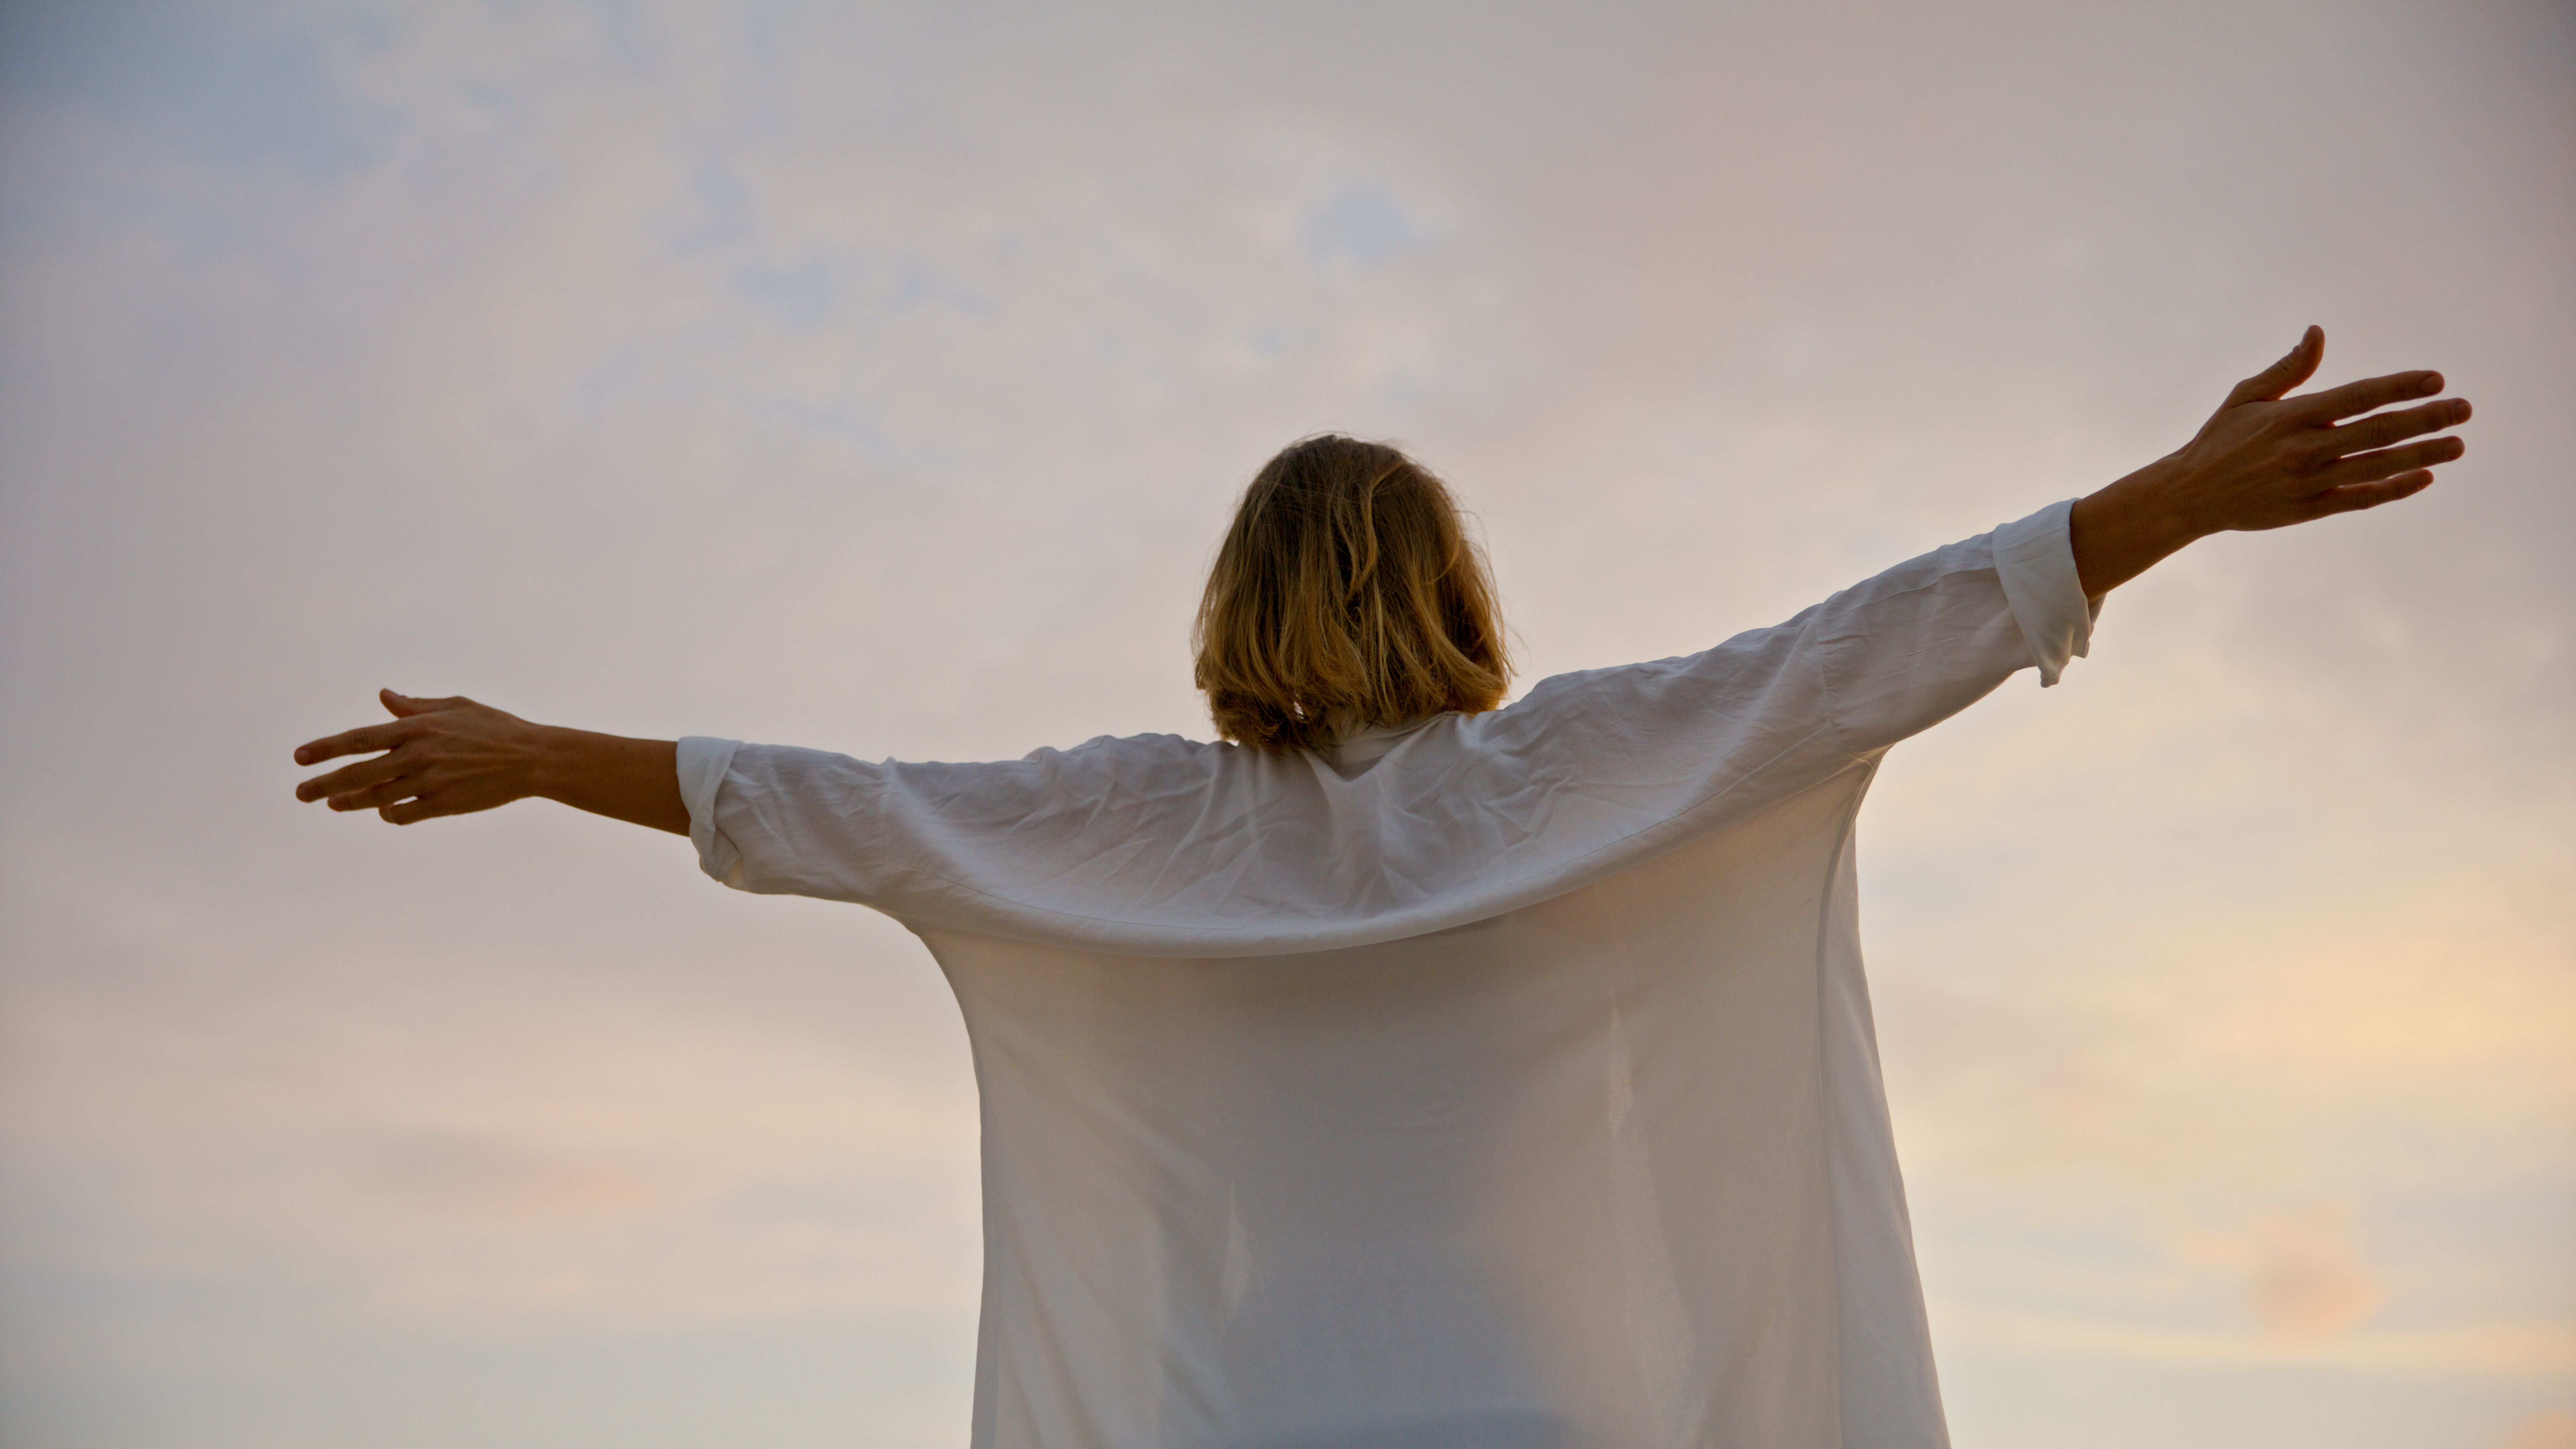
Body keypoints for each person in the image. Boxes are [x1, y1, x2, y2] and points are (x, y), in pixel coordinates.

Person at [295, 329, 2468, 1448]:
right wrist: (2168, 502)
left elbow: (822, 801)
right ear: (1454, 594)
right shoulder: (1586, 767)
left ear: (1233, 605)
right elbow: (1872, 641)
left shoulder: (1129, 823)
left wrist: (527, 755)